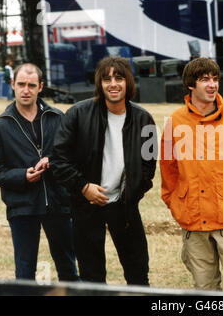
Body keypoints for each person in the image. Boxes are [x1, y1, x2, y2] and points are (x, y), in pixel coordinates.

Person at [50, 56, 157, 284]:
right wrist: (83, 187)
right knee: (92, 277)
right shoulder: (77, 114)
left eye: (119, 78)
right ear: (99, 83)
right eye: (106, 79)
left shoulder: (144, 119)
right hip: (86, 205)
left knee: (138, 273)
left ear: (128, 81)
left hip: (125, 207)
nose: (113, 84)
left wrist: (132, 193)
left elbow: (149, 165)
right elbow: (58, 159)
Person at [160, 57, 223, 292]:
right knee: (204, 288)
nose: (212, 84)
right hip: (194, 221)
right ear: (191, 85)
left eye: (215, 79)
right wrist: (176, 205)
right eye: (205, 80)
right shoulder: (174, 122)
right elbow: (168, 171)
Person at [0, 63, 79, 281]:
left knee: (68, 267)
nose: (26, 90)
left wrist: (53, 161)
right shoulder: (0, 126)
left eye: (31, 85)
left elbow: (73, 155)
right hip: (22, 206)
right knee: (25, 272)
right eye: (21, 84)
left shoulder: (57, 117)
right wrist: (22, 176)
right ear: (13, 85)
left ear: (40, 87)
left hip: (58, 202)